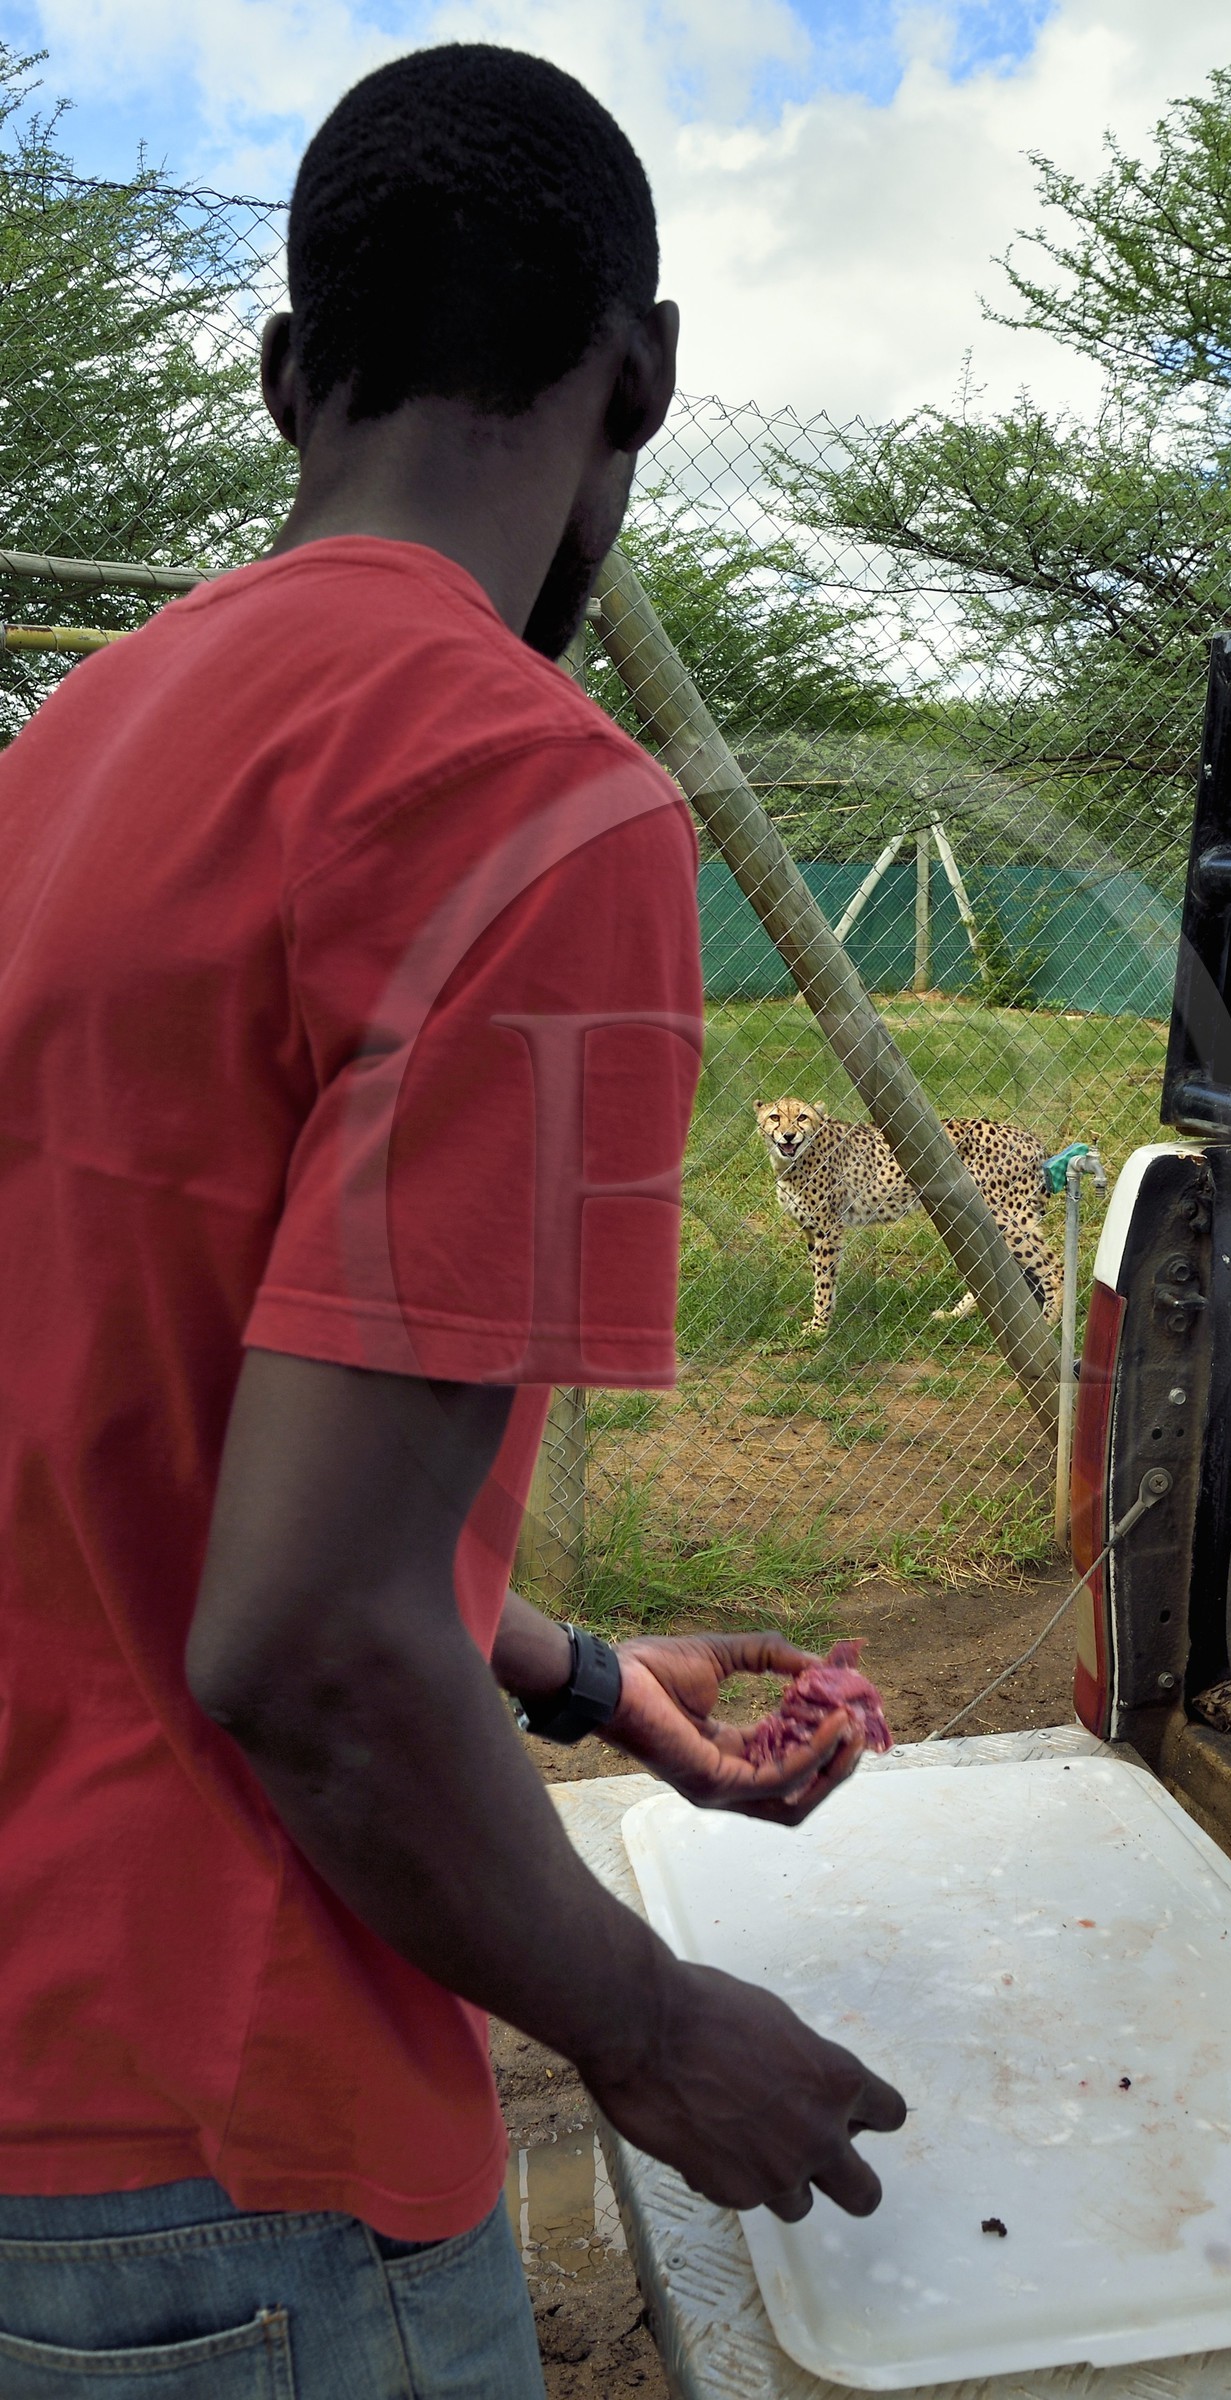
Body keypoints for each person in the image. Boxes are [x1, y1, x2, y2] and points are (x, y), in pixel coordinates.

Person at [0, 46, 904, 2398]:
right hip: (232, 2150)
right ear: (646, 373)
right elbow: (301, 1637)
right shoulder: (531, 794)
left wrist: (592, 1679)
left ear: (289, 375)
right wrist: (651, 2019)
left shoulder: (67, 751)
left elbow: (144, 1404)